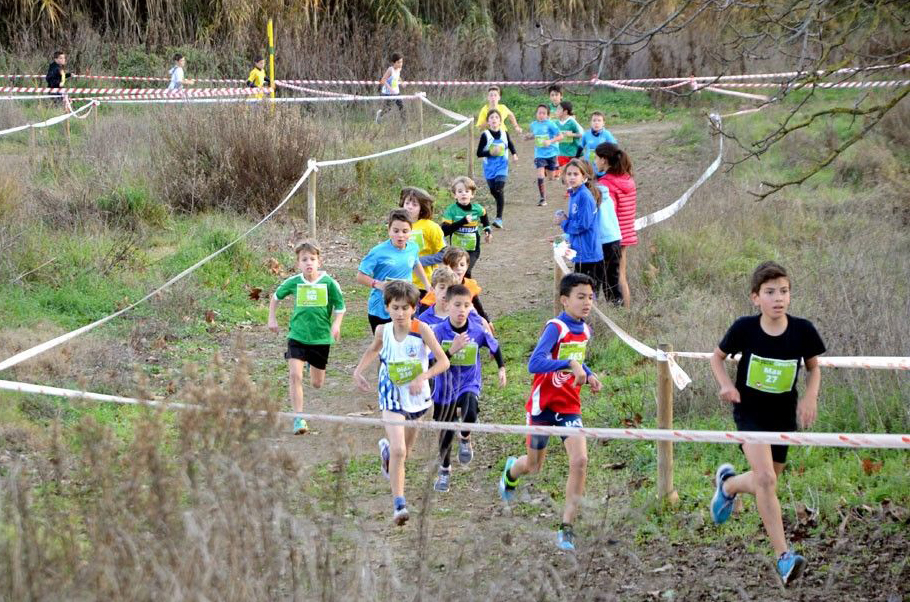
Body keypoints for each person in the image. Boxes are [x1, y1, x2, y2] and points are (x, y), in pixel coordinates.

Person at [708, 261, 825, 587]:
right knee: (765, 478)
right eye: (770, 292)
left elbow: (814, 368)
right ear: (755, 298)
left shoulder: (803, 331)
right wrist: (726, 386)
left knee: (767, 480)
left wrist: (810, 398)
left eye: (784, 291)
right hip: (750, 414)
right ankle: (784, 556)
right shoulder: (745, 328)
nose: (778, 298)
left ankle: (728, 486)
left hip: (783, 416)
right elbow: (716, 357)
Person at [498, 273, 602, 552]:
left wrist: (589, 374)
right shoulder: (555, 327)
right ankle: (511, 471)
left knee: (580, 460)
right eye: (581, 297)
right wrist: (568, 362)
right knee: (533, 466)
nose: (587, 303)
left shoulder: (585, 330)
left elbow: (578, 361)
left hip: (569, 406)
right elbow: (535, 363)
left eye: (590, 297)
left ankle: (566, 528)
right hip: (542, 407)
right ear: (564, 300)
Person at [353, 281, 450, 525]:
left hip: (417, 396)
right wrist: (358, 371)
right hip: (390, 392)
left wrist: (422, 376)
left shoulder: (423, 330)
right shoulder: (382, 331)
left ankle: (387, 452)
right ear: (387, 308)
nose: (400, 313)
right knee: (400, 450)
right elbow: (374, 349)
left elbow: (443, 362)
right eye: (395, 308)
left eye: (405, 308)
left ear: (413, 309)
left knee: (404, 451)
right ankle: (399, 504)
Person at [430, 284, 506, 492]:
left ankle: (465, 436)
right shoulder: (438, 332)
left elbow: (495, 345)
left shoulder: (476, 329)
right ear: (446, 305)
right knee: (445, 433)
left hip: (468, 382)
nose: (462, 310)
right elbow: (430, 364)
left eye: (466, 305)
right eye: (457, 305)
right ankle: (444, 470)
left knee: (471, 409)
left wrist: (501, 368)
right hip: (445, 388)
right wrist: (451, 351)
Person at [267, 242, 345, 434]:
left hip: (320, 338)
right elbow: (275, 297)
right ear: (298, 263)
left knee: (317, 384)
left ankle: (311, 363)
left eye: (312, 259)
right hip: (297, 335)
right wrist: (272, 318)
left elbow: (340, 307)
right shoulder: (294, 282)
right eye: (304, 260)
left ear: (319, 261)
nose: (308, 263)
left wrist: (336, 324)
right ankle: (298, 418)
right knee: (295, 376)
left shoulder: (329, 283)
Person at [356, 209, 432, 333]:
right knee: (384, 348)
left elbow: (415, 263)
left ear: (411, 231)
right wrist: (380, 285)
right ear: (389, 230)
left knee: (405, 344)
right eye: (396, 231)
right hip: (381, 309)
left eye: (405, 231)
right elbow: (360, 276)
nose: (400, 235)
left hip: (405, 306)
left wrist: (427, 284)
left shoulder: (413, 247)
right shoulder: (378, 252)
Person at [595, 142, 636, 308]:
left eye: (596, 158)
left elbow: (607, 213)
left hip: (613, 235)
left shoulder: (606, 185)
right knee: (621, 275)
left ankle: (623, 314)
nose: (595, 161)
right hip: (626, 233)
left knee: (615, 277)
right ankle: (627, 312)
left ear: (604, 160)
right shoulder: (627, 179)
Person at [555, 159, 604, 294]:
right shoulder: (574, 194)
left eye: (575, 174)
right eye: (569, 174)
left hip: (589, 254)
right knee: (579, 293)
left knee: (587, 295)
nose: (571, 177)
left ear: (584, 177)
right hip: (580, 252)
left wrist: (564, 223)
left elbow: (582, 225)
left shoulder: (584, 196)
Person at [420, 247, 492, 327]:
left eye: (462, 265)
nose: (458, 268)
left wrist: (487, 322)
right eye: (454, 265)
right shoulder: (436, 292)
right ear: (446, 266)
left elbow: (478, 307)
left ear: (467, 266)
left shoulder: (470, 285)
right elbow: (423, 312)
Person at [440, 176, 492, 278]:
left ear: (472, 194)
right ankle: (463, 292)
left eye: (467, 191)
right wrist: (462, 222)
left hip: (473, 249)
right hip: (456, 251)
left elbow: (484, 215)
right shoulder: (451, 210)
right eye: (460, 191)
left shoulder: (478, 209)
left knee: (465, 272)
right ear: (455, 195)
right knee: (456, 274)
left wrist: (487, 229)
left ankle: (471, 293)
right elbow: (445, 231)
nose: (463, 193)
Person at [399, 186, 445, 297]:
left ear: (422, 208)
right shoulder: (398, 225)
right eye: (407, 203)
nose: (409, 207)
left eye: (414, 205)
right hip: (402, 280)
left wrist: (419, 261)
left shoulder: (431, 227)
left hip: (424, 282)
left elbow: (444, 254)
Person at [476, 109, 518, 229]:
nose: (494, 120)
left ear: (500, 121)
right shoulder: (485, 135)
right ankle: (500, 201)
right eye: (491, 118)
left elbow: (510, 144)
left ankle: (499, 218)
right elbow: (479, 153)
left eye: (496, 117)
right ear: (488, 122)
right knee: (494, 191)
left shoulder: (505, 133)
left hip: (502, 166)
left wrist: (514, 154)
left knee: (499, 187)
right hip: (489, 168)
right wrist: (490, 152)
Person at [526, 105, 563, 207]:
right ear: (536, 114)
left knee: (551, 177)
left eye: (544, 113)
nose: (541, 115)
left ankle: (555, 168)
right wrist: (528, 137)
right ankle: (542, 199)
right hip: (539, 154)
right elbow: (535, 134)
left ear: (547, 115)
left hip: (551, 153)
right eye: (539, 113)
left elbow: (560, 136)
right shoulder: (533, 124)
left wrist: (550, 141)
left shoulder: (551, 124)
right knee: (540, 175)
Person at [595, 177, 623, 305]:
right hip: (614, 239)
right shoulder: (606, 195)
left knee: (593, 281)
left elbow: (587, 222)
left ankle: (589, 316)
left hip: (602, 241)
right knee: (612, 280)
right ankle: (617, 310)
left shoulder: (589, 197)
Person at [582, 112, 617, 177]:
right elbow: (580, 146)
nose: (596, 123)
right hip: (590, 164)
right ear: (590, 122)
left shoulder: (606, 134)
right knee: (591, 183)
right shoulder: (586, 134)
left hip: (602, 165)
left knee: (603, 183)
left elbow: (615, 146)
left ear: (603, 123)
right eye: (594, 120)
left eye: (599, 120)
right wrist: (576, 157)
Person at [555, 101, 585, 172]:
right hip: (561, 153)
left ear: (565, 112)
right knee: (564, 173)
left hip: (573, 153)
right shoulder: (556, 123)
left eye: (559, 109)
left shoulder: (572, 122)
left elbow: (582, 134)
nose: (556, 111)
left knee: (573, 172)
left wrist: (572, 135)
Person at [375, 52, 404, 123]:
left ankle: (404, 125)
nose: (400, 64)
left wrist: (402, 82)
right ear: (394, 62)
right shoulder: (390, 70)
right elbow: (383, 80)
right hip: (388, 93)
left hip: (396, 92)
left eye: (401, 62)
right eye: (398, 62)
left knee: (402, 107)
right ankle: (380, 114)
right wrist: (390, 89)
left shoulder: (399, 69)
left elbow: (397, 77)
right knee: (388, 108)